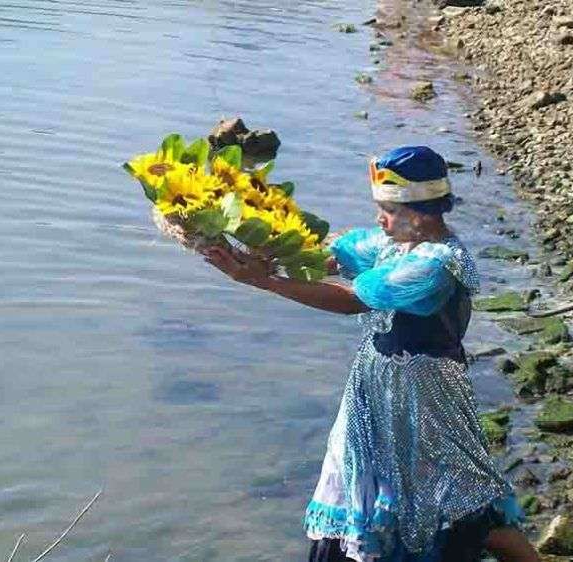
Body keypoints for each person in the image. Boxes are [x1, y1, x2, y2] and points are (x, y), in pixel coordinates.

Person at [203, 146, 540, 562]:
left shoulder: (434, 265)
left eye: (389, 211)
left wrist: (263, 281)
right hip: (374, 390)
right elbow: (324, 253)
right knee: (368, 488)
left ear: (422, 213)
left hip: (427, 400)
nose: (380, 220)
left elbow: (351, 299)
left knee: (461, 504)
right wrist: (246, 229)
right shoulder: (395, 244)